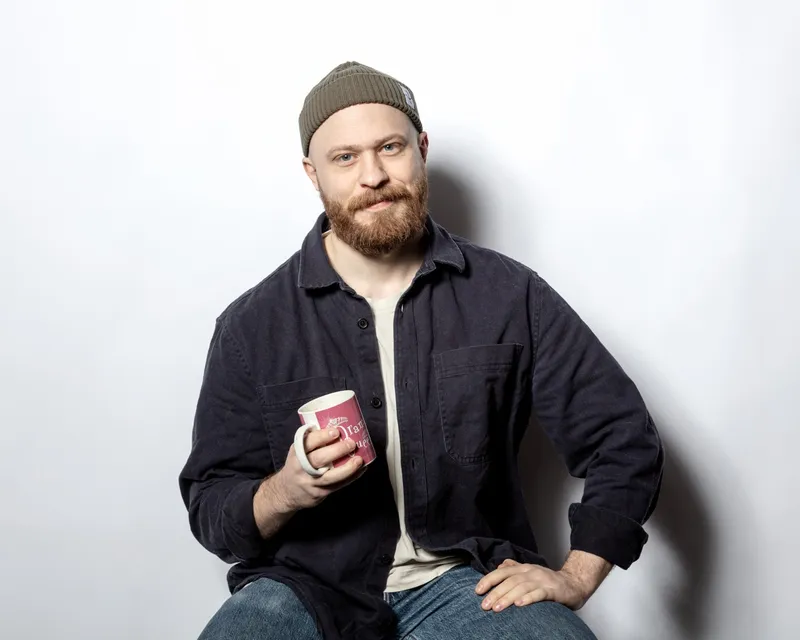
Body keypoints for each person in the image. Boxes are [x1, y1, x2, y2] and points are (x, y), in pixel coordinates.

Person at [178, 61, 665, 640]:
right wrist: (287, 488)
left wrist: (578, 575)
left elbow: (621, 437)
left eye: (390, 147)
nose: (373, 176)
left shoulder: (508, 295)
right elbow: (211, 505)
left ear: (421, 149)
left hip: (465, 584)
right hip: (303, 587)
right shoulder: (252, 325)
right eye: (345, 157)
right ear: (313, 174)